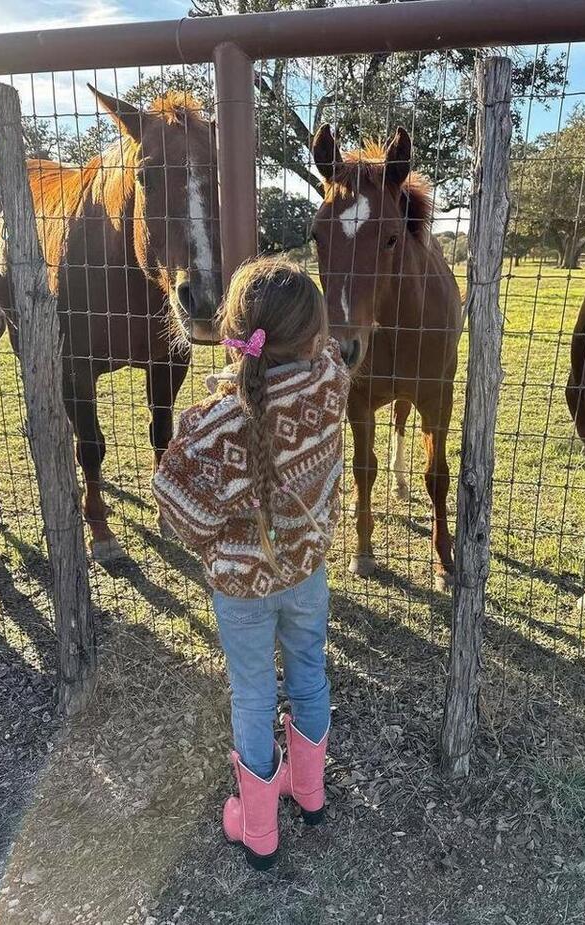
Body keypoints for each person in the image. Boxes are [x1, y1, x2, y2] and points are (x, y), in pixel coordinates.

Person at [153, 257, 350, 870]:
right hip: (308, 574)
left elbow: (179, 513)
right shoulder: (331, 382)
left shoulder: (211, 427)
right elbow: (322, 363)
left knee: (254, 694)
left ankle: (258, 827)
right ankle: (309, 792)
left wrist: (220, 536)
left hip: (241, 590)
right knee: (309, 675)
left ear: (233, 330)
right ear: (314, 337)